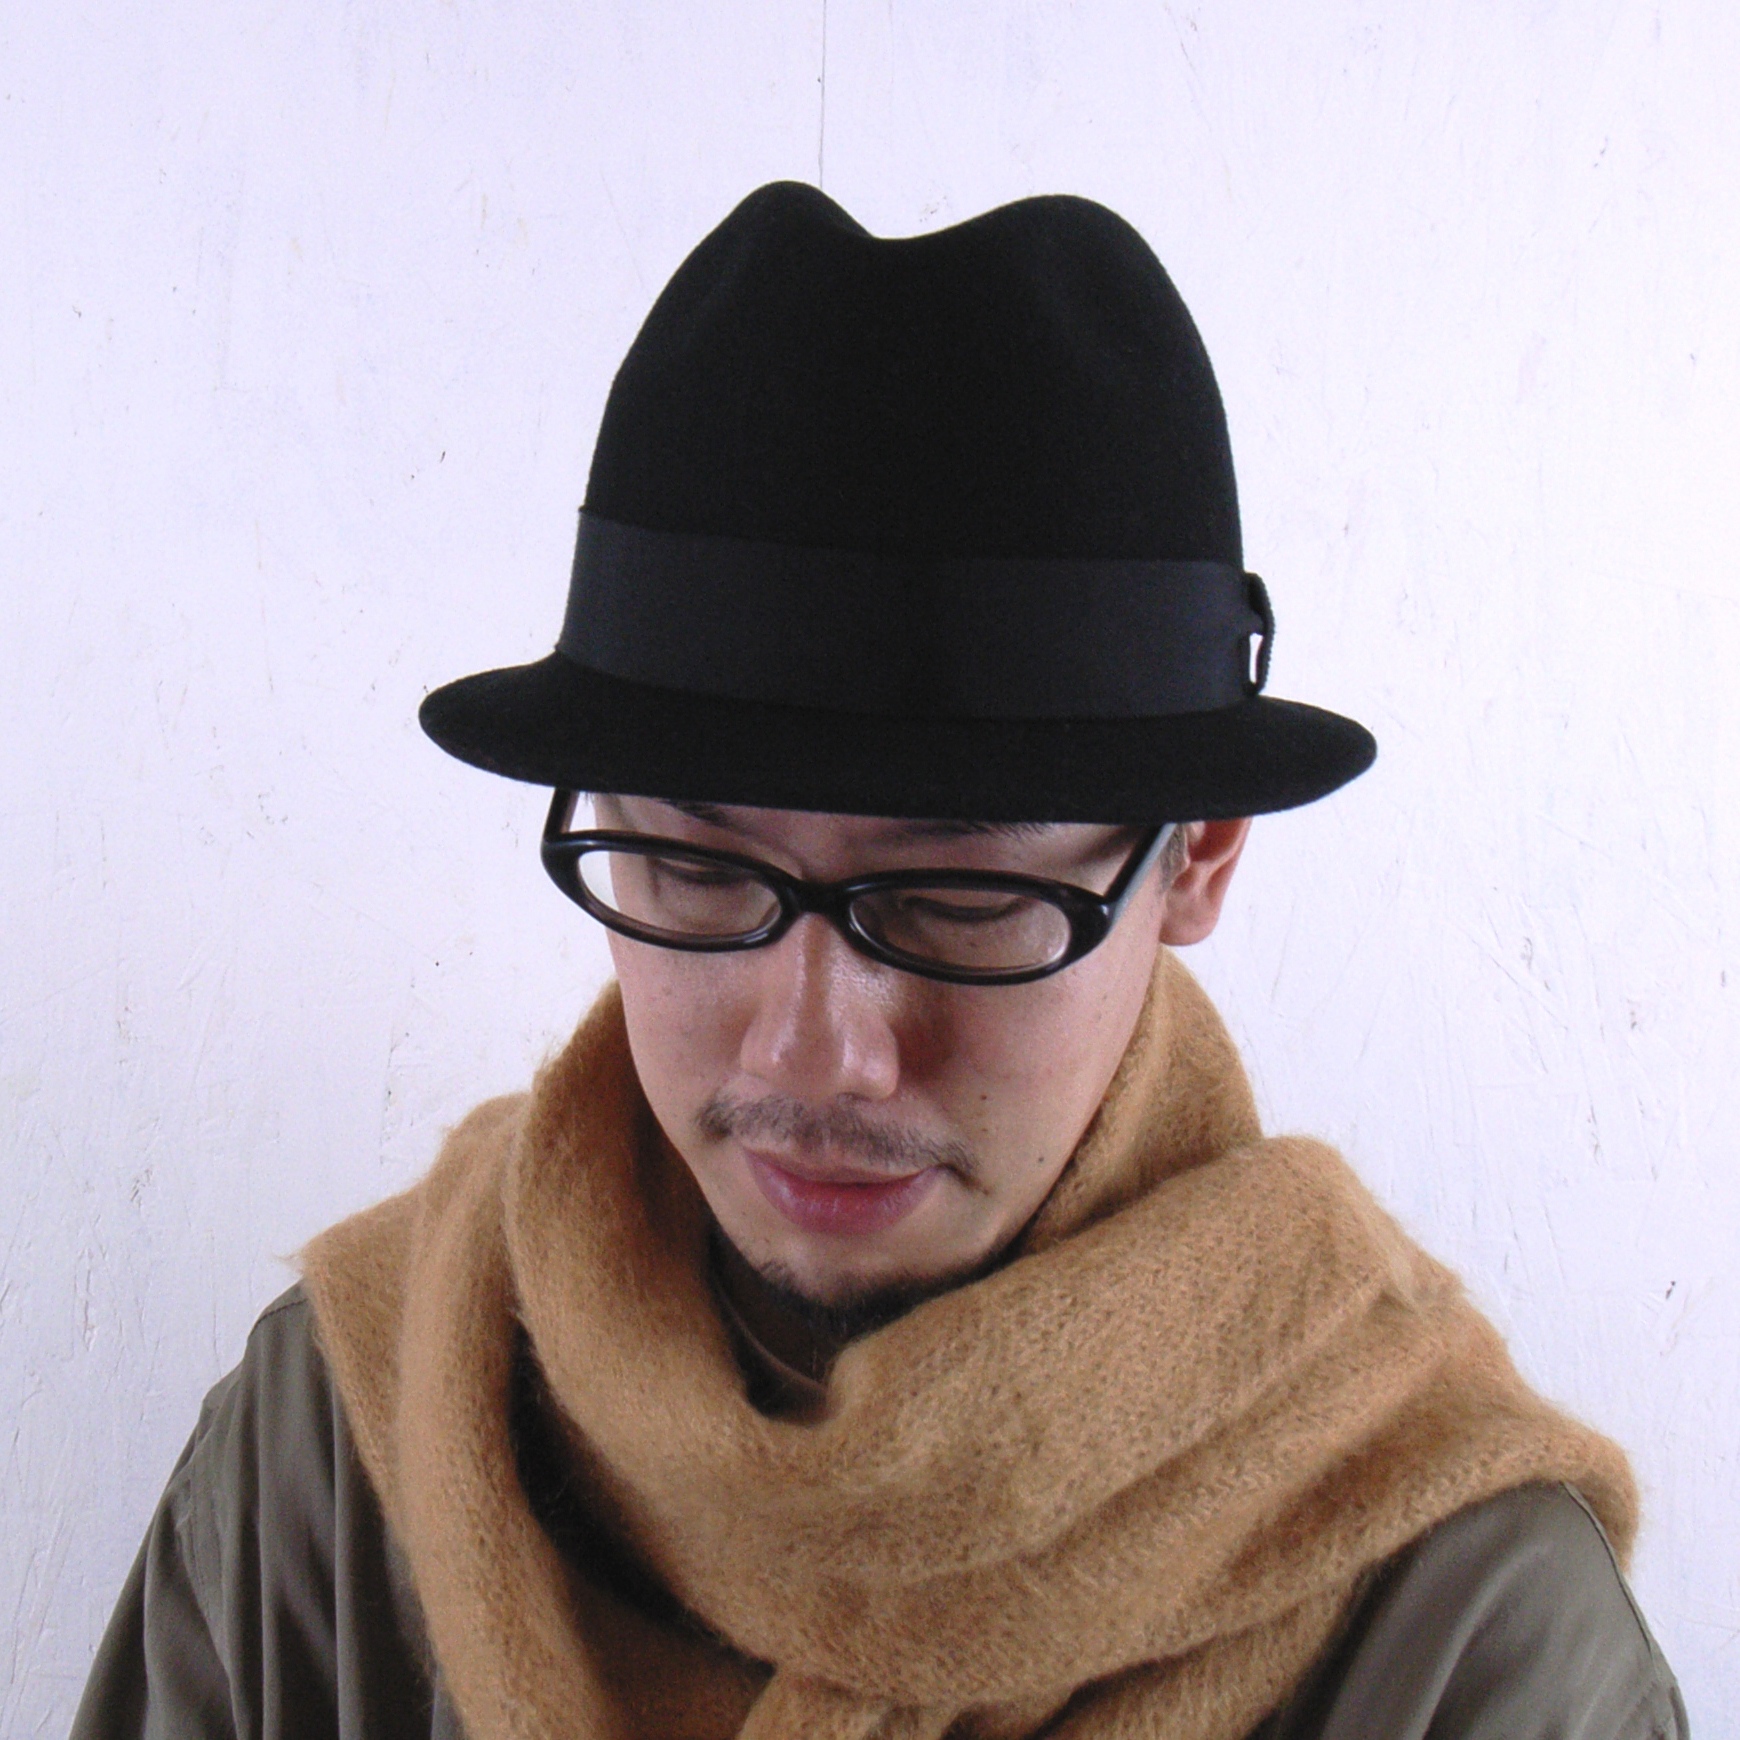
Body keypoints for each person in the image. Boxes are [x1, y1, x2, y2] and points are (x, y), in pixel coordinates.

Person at [71, 183, 1687, 1740]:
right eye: (699, 869)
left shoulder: (1454, 1625)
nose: (816, 1049)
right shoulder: (343, 1445)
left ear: (1197, 856)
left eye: (955, 899)